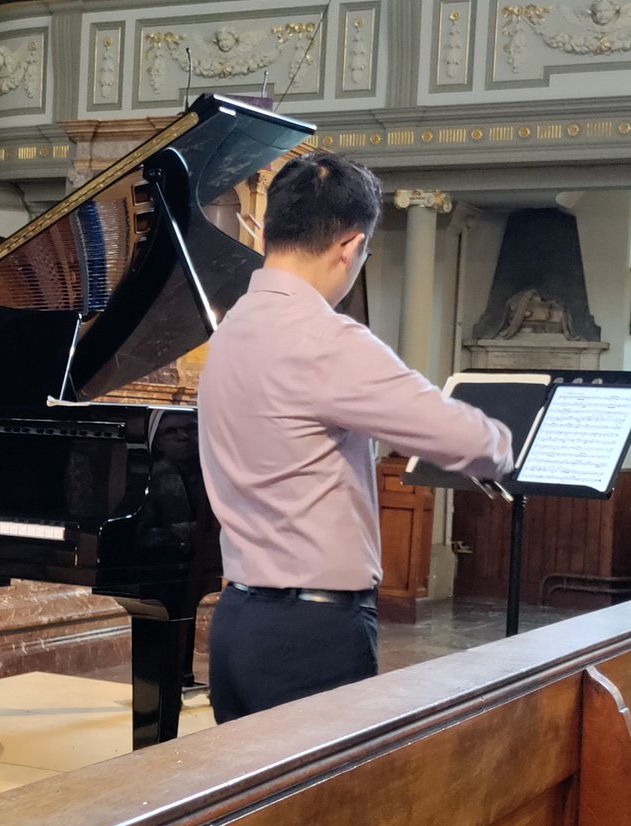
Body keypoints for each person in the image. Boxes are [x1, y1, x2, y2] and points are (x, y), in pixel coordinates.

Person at [197, 151, 515, 724]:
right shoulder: (324, 338)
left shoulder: (229, 328)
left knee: (256, 811)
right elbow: (467, 441)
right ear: (350, 246)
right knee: (326, 813)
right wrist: (507, 439)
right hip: (311, 633)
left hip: (238, 619)